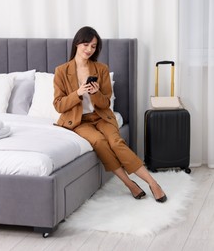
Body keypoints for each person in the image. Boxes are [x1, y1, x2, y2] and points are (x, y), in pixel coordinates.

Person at [53, 26, 167, 203]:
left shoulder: (101, 69)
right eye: (86, 44)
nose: (89, 49)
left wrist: (95, 93)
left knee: (116, 142)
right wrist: (78, 93)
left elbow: (105, 103)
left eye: (93, 46)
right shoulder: (61, 71)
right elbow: (59, 105)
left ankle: (153, 183)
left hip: (102, 117)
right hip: (80, 122)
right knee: (100, 143)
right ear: (77, 43)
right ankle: (130, 184)